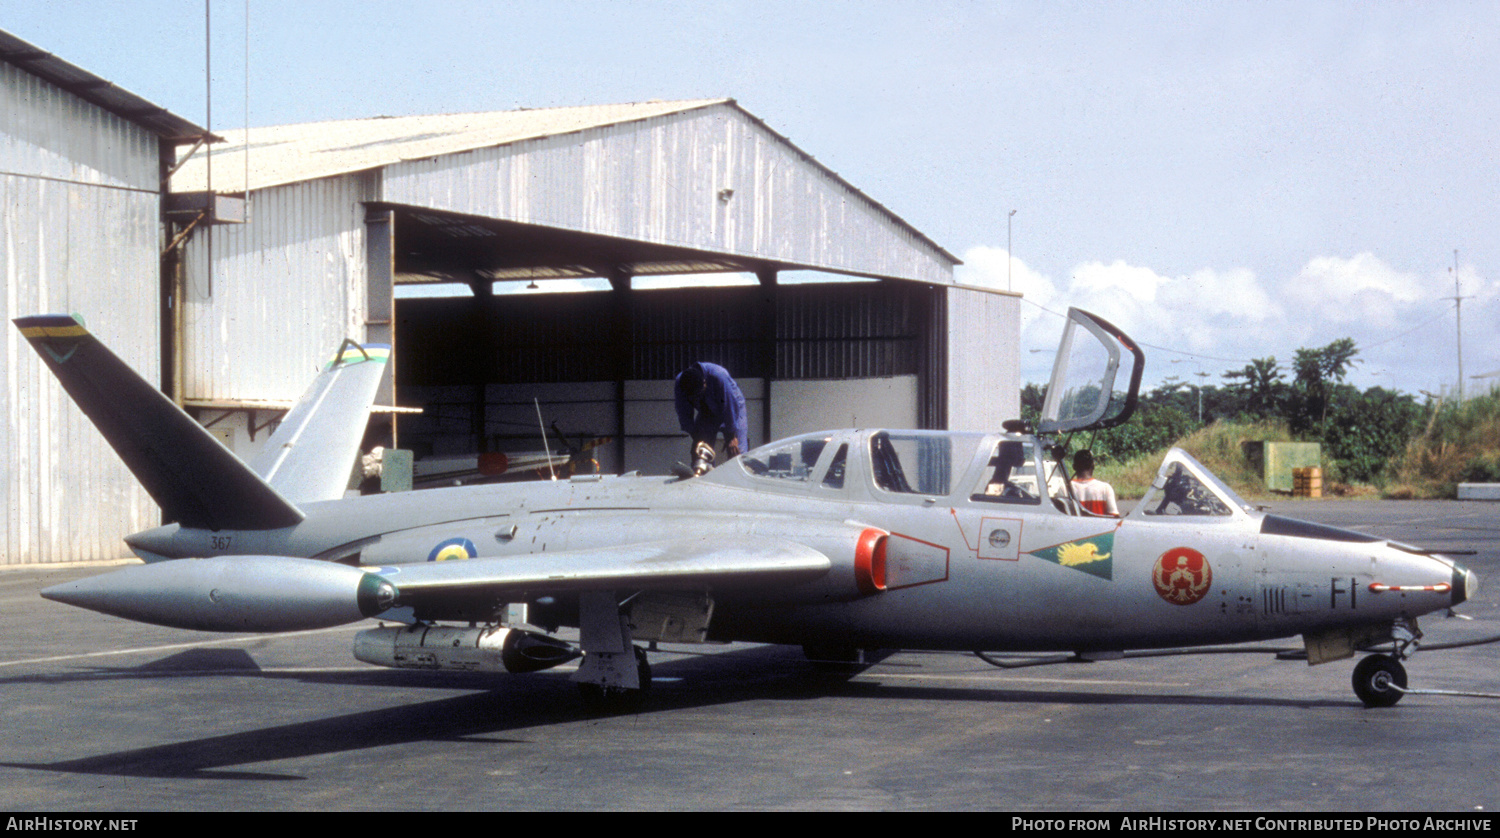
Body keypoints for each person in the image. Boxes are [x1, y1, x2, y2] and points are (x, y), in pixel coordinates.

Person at [674, 362, 748, 473]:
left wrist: (732, 435)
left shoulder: (719, 376)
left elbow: (730, 405)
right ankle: (703, 478)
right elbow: (683, 411)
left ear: (704, 382)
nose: (696, 397)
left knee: (737, 452)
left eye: (699, 394)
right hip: (706, 411)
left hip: (732, 407)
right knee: (699, 452)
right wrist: (696, 436)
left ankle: (738, 477)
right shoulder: (681, 383)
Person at [1070, 449, 1119, 517]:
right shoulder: (1105, 488)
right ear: (1093, 466)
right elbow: (1114, 517)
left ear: (1074, 467)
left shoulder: (1064, 488)